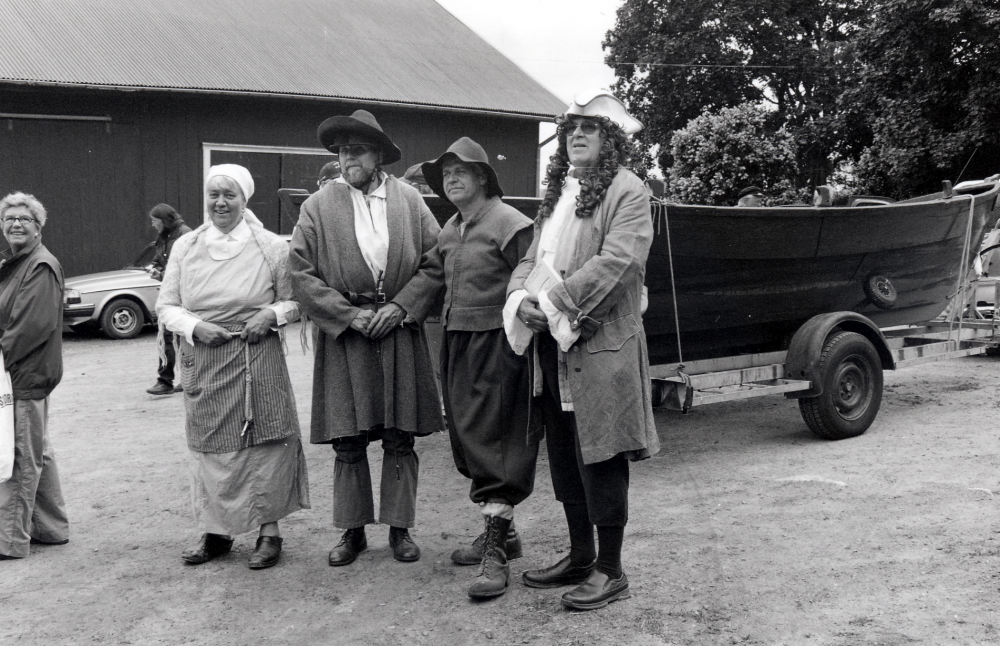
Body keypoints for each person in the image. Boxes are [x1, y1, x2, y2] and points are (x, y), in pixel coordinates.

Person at [504, 90, 660, 610]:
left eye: (588, 129)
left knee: (602, 451)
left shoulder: (628, 192)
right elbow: (530, 257)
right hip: (553, 344)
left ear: (611, 140)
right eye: (570, 129)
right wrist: (518, 299)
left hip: (600, 345)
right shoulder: (560, 195)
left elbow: (617, 263)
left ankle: (611, 569)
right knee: (567, 450)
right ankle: (579, 555)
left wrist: (550, 303)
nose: (576, 136)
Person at [289, 110, 442, 567]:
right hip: (348, 335)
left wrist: (401, 307)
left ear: (378, 156)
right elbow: (299, 272)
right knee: (349, 436)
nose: (346, 158)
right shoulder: (318, 206)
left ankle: (400, 529)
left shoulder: (410, 200)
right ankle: (352, 531)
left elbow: (437, 260)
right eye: (341, 150)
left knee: (399, 434)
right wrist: (348, 316)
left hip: (397, 329)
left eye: (356, 150)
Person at [398, 137, 536, 599]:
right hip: (456, 342)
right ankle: (505, 533)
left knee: (494, 438)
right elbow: (432, 277)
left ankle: (496, 553)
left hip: (497, 344)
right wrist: (399, 309)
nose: (451, 178)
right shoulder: (450, 227)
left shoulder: (512, 224)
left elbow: (534, 280)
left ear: (483, 177)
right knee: (466, 436)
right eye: (445, 174)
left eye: (461, 171)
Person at [156, 164, 309, 570]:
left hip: (257, 351)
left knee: (266, 439)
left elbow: (296, 301)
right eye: (213, 195)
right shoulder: (186, 246)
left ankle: (269, 532)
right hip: (205, 354)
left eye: (230, 194)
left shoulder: (271, 246)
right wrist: (195, 326)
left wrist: (270, 316)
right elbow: (166, 305)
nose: (220, 202)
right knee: (212, 445)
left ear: (245, 200)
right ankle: (217, 532)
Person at [0, 192, 69, 560]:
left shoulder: (40, 266)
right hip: (18, 373)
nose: (15, 224)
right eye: (8, 218)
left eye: (24, 219)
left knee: (21, 455)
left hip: (23, 374)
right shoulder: (15, 264)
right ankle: (51, 528)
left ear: (38, 226)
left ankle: (10, 541)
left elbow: (29, 327)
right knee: (36, 448)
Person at [146, 204, 192, 396]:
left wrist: (162, 273)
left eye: (154, 221)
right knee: (167, 336)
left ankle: (175, 380)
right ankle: (168, 379)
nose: (152, 224)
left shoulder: (185, 236)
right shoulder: (164, 237)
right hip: (170, 292)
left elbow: (186, 267)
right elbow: (159, 260)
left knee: (183, 336)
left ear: (163, 220)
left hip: (184, 294)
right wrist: (155, 269)